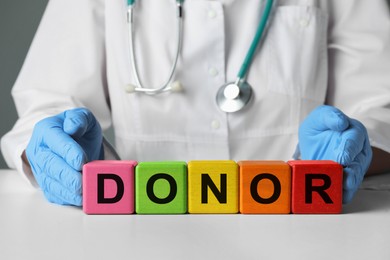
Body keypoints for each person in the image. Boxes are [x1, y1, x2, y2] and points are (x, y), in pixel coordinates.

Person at [1, 0, 390, 206]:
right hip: (143, 234)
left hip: (305, 233)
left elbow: (380, 108)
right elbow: (48, 104)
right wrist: (60, 149)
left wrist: (353, 149)